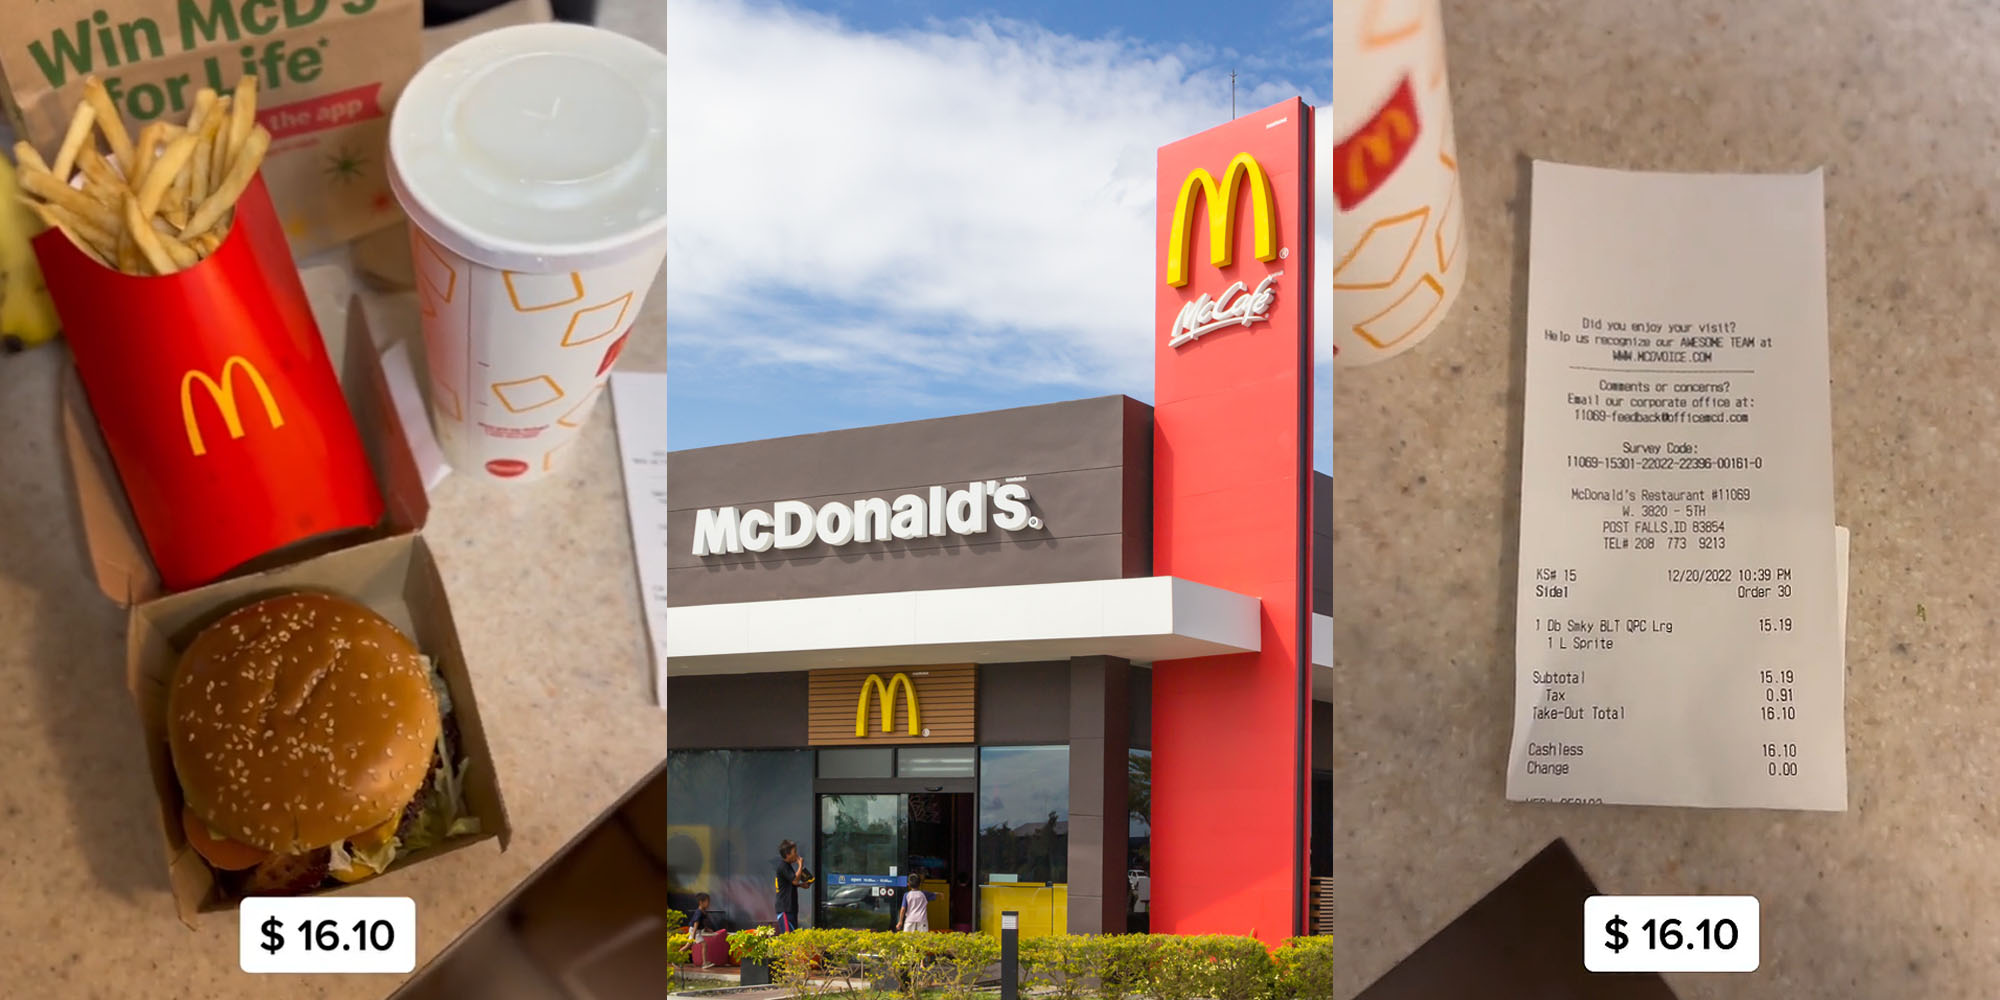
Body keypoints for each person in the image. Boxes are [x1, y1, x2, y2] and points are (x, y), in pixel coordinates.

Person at [772, 839, 814, 932]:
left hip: (791, 908)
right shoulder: (783, 866)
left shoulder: (787, 866)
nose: (797, 854)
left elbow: (788, 884)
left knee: (793, 936)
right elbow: (794, 880)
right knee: (788, 937)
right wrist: (800, 865)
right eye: (794, 852)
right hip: (785, 909)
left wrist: (800, 885)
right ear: (787, 855)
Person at [690, 893, 723, 968]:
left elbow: (701, 923)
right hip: (694, 931)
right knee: (701, 944)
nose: (709, 903)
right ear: (701, 902)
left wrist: (707, 929)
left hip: (696, 931)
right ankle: (704, 963)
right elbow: (696, 924)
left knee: (690, 945)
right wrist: (693, 937)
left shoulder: (703, 911)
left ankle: (704, 962)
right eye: (707, 901)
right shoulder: (699, 912)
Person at [894, 869, 930, 933]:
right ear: (920, 883)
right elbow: (934, 894)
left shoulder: (907, 895)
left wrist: (900, 921)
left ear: (908, 884)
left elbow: (903, 909)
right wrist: (939, 894)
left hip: (909, 920)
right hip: (922, 920)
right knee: (923, 939)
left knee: (907, 939)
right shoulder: (924, 894)